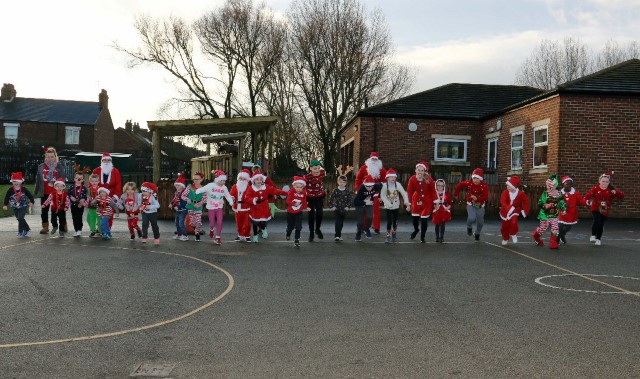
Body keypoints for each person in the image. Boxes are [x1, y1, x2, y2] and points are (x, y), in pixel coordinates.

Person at [584, 172, 624, 246]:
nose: (604, 183)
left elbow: (622, 195)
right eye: (603, 181)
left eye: (606, 182)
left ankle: (598, 239)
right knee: (597, 220)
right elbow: (587, 196)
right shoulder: (595, 189)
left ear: (609, 183)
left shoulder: (610, 190)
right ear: (599, 181)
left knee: (601, 224)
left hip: (605, 209)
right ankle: (593, 235)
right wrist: (586, 201)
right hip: (595, 207)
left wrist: (616, 192)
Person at [246, 171, 287, 243]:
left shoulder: (266, 187)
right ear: (253, 180)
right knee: (255, 223)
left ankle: (263, 229)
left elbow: (275, 191)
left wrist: (286, 193)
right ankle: (255, 236)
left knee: (262, 222)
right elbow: (247, 198)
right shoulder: (251, 188)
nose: (259, 181)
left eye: (260, 179)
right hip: (255, 207)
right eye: (257, 179)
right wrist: (253, 199)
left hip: (264, 206)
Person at [196, 170, 234, 245]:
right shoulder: (210, 185)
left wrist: (230, 201)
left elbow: (227, 195)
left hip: (219, 207)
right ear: (217, 180)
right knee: (212, 223)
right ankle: (211, 229)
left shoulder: (224, 188)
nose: (223, 182)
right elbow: (203, 189)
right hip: (211, 207)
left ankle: (218, 237)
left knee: (220, 222)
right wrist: (198, 191)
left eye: (224, 181)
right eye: (221, 180)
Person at [453, 168, 489, 241]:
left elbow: (485, 196)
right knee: (471, 218)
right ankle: (469, 227)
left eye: (477, 178)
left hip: (480, 205)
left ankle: (477, 233)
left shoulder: (484, 186)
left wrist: (477, 199)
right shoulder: (469, 183)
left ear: (481, 179)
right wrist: (456, 193)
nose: (475, 180)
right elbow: (460, 184)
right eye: (474, 178)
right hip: (471, 204)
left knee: (480, 222)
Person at [355, 152, 387, 234]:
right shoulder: (363, 168)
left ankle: (376, 227)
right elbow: (358, 179)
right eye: (373, 159)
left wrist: (380, 189)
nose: (374, 161)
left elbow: (384, 181)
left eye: (376, 159)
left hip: (375, 193)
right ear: (370, 159)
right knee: (364, 211)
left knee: (376, 211)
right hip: (364, 193)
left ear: (378, 160)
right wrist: (358, 190)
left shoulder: (382, 170)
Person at [34, 146, 64, 234]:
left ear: (55, 157)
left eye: (52, 156)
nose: (50, 158)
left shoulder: (59, 167)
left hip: (56, 193)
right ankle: (45, 227)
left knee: (58, 210)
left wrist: (56, 185)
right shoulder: (41, 166)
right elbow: (38, 179)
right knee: (44, 211)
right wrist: (36, 191)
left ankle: (63, 225)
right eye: (48, 156)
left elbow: (62, 179)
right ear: (45, 157)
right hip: (45, 193)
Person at [532, 175, 566, 249]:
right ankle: (536, 237)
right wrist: (545, 205)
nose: (547, 188)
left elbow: (561, 203)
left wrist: (563, 209)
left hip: (554, 215)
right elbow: (540, 202)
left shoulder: (559, 194)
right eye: (547, 186)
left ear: (554, 186)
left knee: (555, 228)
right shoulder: (545, 194)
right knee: (542, 229)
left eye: (549, 186)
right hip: (545, 215)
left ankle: (553, 242)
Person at [406, 161, 437, 243]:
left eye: (422, 170)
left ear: (425, 171)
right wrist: (408, 204)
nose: (420, 172)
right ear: (415, 170)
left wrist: (436, 203)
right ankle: (416, 230)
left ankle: (422, 237)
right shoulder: (412, 179)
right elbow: (409, 191)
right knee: (414, 220)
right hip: (416, 200)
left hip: (427, 201)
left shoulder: (429, 179)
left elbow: (433, 191)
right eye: (418, 170)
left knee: (424, 219)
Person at [92, 152, 122, 228]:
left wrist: (115, 196)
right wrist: (95, 194)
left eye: (108, 160)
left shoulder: (116, 171)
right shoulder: (96, 171)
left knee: (109, 213)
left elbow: (118, 185)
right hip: (99, 195)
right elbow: (91, 183)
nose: (106, 162)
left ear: (111, 161)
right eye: (104, 160)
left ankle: (107, 229)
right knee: (99, 213)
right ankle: (100, 229)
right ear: (102, 161)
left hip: (111, 195)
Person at [380, 168, 410, 243]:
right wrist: (388, 203)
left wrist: (406, 201)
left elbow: (404, 193)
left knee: (395, 221)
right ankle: (388, 235)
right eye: (391, 177)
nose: (393, 178)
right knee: (389, 221)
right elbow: (382, 196)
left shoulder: (398, 184)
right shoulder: (384, 185)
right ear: (387, 178)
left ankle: (394, 233)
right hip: (388, 207)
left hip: (396, 206)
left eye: (394, 177)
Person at [499, 176, 530, 245]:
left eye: (510, 186)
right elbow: (503, 201)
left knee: (513, 222)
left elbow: (526, 201)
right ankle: (505, 238)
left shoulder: (520, 193)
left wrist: (525, 211)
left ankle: (513, 233)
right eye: (507, 185)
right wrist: (508, 208)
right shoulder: (505, 192)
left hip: (515, 211)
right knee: (504, 227)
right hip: (505, 211)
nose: (508, 187)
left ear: (514, 186)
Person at [3, 172, 35, 238]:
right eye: (14, 181)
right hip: (15, 207)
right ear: (12, 182)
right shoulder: (10, 190)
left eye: (18, 181)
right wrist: (5, 205)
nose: (16, 183)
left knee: (20, 218)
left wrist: (32, 202)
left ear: (20, 182)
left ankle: (20, 231)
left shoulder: (24, 189)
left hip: (23, 206)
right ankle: (27, 229)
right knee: (19, 219)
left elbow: (30, 196)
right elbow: (6, 197)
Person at [558, 176, 587, 244]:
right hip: (562, 213)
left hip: (571, 214)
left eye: (570, 184)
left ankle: (562, 235)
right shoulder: (560, 193)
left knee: (567, 228)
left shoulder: (575, 193)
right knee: (560, 226)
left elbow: (581, 200)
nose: (569, 185)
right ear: (563, 184)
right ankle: (557, 238)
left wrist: (587, 202)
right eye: (567, 184)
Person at [353, 175, 383, 242]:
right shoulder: (361, 189)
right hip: (360, 204)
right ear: (365, 185)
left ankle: (366, 229)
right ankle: (358, 233)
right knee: (360, 222)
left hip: (368, 204)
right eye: (367, 186)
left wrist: (379, 196)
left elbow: (383, 185)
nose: (369, 188)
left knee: (370, 217)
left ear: (373, 185)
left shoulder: (376, 186)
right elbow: (355, 202)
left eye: (371, 186)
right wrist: (365, 202)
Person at [328, 172, 354, 242]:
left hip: (344, 210)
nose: (342, 183)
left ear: (346, 183)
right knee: (337, 222)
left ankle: (339, 235)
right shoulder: (335, 190)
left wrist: (348, 206)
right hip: (337, 209)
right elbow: (330, 199)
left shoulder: (347, 191)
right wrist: (332, 206)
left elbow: (350, 200)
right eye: (340, 182)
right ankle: (337, 236)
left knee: (341, 223)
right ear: (338, 182)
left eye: (343, 182)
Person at [305, 159, 326, 242]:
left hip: (319, 196)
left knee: (320, 214)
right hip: (310, 197)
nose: (317, 170)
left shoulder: (322, 173)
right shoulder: (307, 177)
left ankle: (317, 229)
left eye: (318, 168)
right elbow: (301, 184)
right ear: (311, 169)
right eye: (315, 168)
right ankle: (311, 233)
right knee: (311, 215)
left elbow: (324, 170)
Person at [182, 172, 206, 242]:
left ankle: (197, 233)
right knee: (192, 222)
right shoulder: (189, 187)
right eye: (194, 179)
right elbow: (183, 195)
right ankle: (196, 229)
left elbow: (205, 199)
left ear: (201, 179)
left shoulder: (204, 188)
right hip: (190, 206)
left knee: (198, 221)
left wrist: (200, 203)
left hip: (198, 207)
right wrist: (187, 199)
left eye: (197, 179)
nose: (195, 180)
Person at [286, 176, 310, 247]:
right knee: (291, 226)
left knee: (298, 226)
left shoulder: (303, 193)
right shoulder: (291, 192)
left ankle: (297, 240)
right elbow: (288, 201)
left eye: (301, 187)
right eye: (297, 187)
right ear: (293, 186)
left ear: (303, 187)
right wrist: (293, 203)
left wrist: (306, 207)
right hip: (290, 212)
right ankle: (288, 233)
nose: (299, 189)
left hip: (299, 212)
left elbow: (304, 201)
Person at [230, 169, 252, 242]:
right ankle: (240, 235)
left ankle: (247, 235)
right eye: (240, 178)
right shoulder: (235, 186)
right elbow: (232, 194)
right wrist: (232, 197)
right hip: (237, 207)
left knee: (247, 223)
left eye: (244, 178)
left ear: (247, 179)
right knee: (239, 223)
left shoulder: (249, 187)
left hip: (246, 207)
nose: (242, 180)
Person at [68, 171, 88, 237]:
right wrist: (71, 197)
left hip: (80, 205)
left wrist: (81, 202)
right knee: (74, 218)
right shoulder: (71, 187)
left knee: (79, 217)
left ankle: (79, 229)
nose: (78, 180)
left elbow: (84, 196)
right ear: (74, 179)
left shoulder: (84, 188)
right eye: (77, 178)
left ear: (83, 180)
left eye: (80, 179)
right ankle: (76, 230)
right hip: (73, 205)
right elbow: (69, 194)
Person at [432, 179, 452, 243]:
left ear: (444, 186)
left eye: (441, 186)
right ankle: (437, 237)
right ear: (436, 186)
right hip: (437, 211)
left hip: (443, 211)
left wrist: (448, 207)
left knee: (443, 224)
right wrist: (434, 206)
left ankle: (442, 237)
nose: (440, 187)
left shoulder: (446, 194)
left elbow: (450, 203)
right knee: (437, 224)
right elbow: (431, 202)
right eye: (438, 185)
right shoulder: (434, 194)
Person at [170, 173, 188, 241]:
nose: (177, 186)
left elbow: (184, 202)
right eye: (176, 185)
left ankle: (185, 235)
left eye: (178, 185)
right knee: (177, 223)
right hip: (177, 210)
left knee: (181, 223)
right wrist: (171, 203)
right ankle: (179, 234)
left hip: (183, 210)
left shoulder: (184, 193)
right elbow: (174, 199)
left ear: (182, 186)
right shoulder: (176, 192)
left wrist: (178, 207)